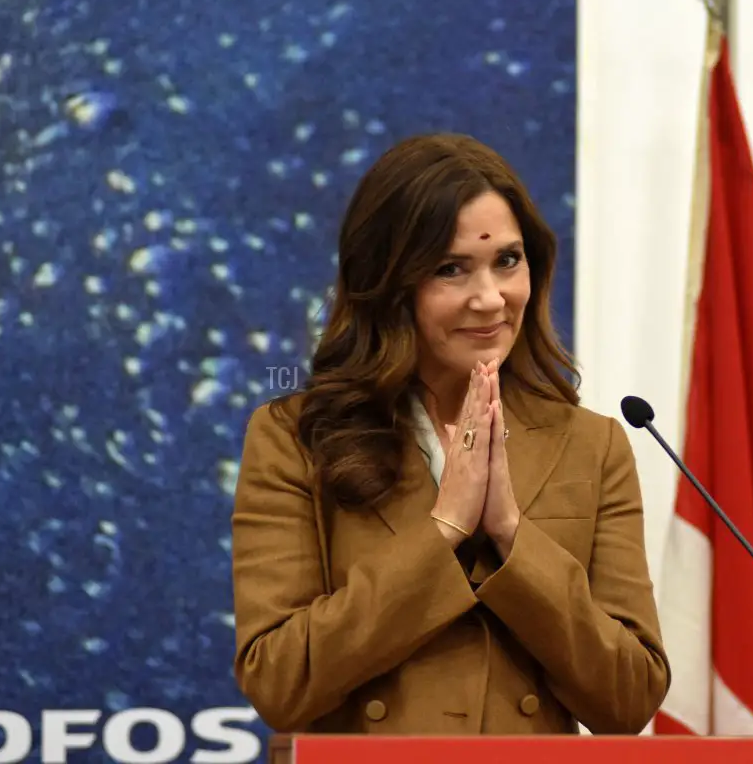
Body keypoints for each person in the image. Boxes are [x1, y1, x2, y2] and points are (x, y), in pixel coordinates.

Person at [230, 132, 670, 736]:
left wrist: (513, 537)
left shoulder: (593, 446)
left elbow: (630, 697)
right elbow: (278, 680)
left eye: (507, 261)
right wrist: (445, 529)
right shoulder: (293, 440)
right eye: (450, 269)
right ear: (387, 286)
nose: (490, 298)